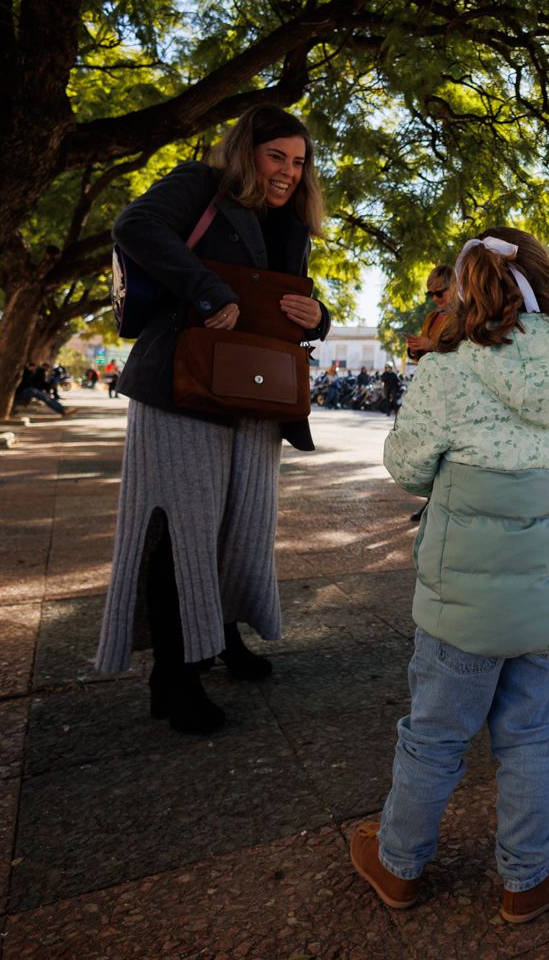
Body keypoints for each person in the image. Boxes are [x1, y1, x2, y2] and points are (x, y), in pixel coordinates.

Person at [350, 226, 549, 924]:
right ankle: (527, 877)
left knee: (434, 732)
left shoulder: (447, 369)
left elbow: (406, 469)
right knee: (530, 730)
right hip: (548, 597)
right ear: (544, 282)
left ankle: (399, 864)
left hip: (462, 597)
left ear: (464, 289)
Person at [93, 106, 331, 734]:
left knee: (237, 526)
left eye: (298, 161)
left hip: (257, 393)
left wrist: (320, 317)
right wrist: (205, 291)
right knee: (182, 530)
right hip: (185, 383)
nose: (287, 171)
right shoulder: (199, 185)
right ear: (247, 150)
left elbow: (286, 295)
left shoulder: (290, 221)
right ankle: (172, 676)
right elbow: (134, 224)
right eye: (276, 156)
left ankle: (223, 638)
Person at [406, 265, 455, 361]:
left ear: (454, 287)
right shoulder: (431, 317)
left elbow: (463, 355)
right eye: (431, 294)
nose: (434, 298)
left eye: (439, 293)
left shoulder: (464, 317)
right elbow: (422, 357)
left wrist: (432, 345)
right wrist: (415, 349)